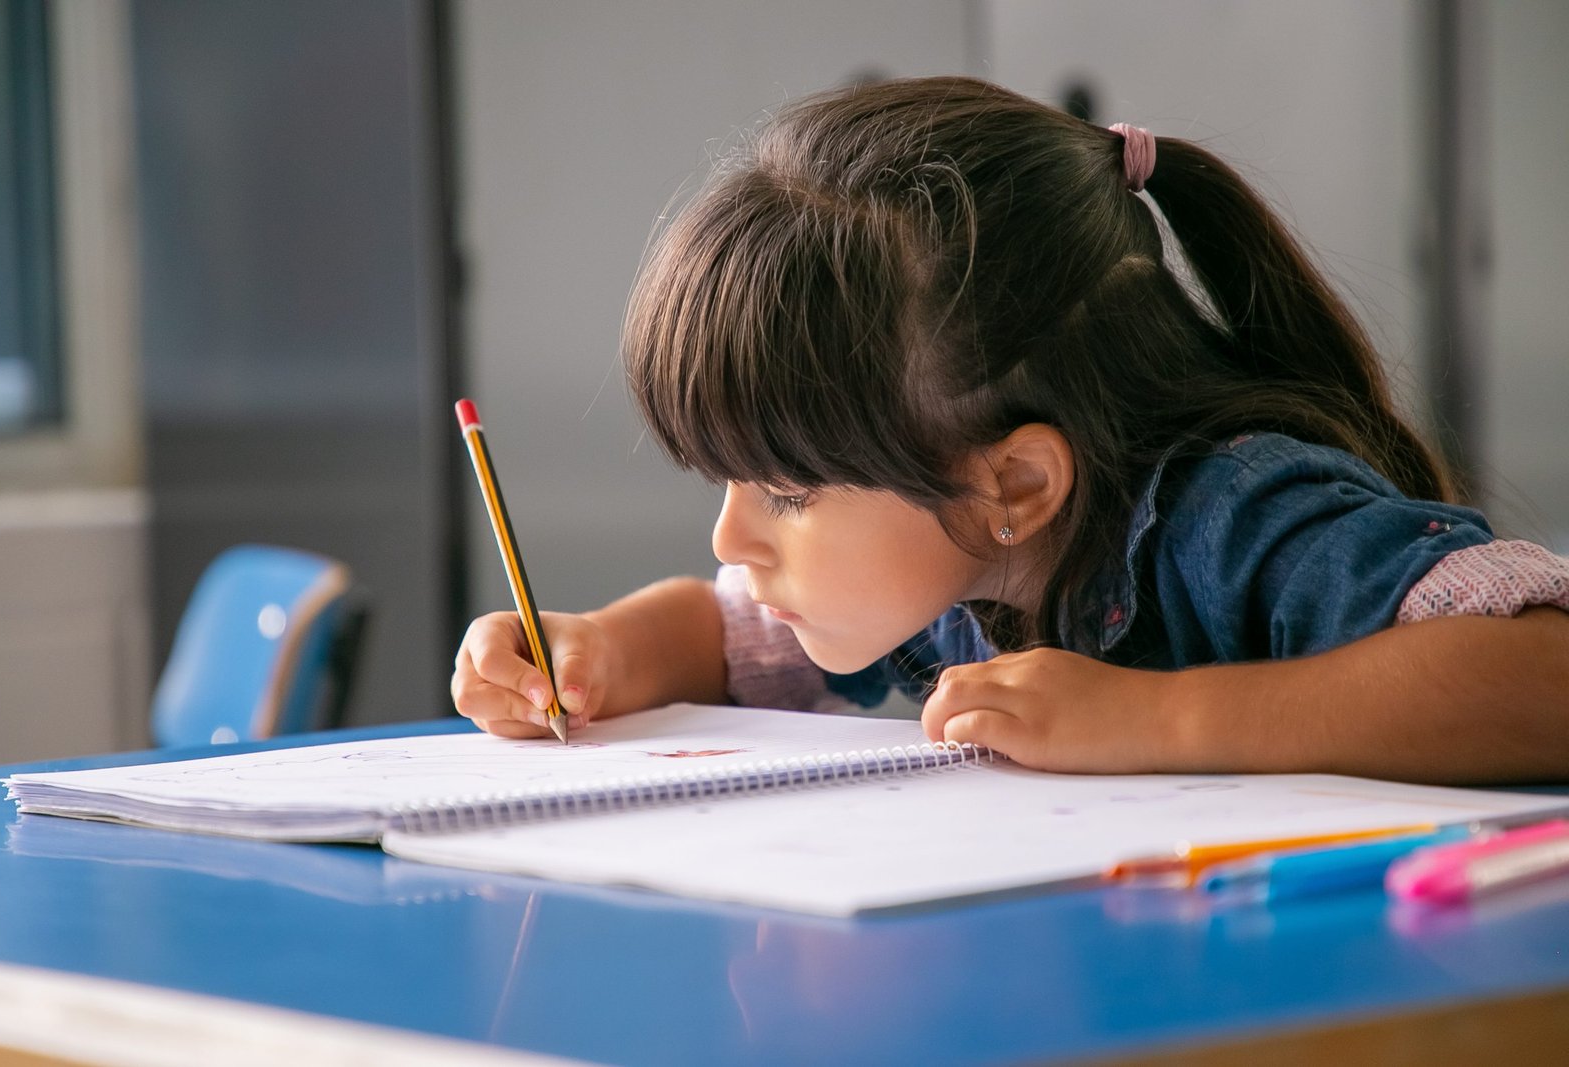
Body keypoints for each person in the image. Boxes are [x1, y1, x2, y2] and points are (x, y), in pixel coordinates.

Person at [453, 76, 1569, 783]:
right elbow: (730, 632)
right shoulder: (952, 566)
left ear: (1013, 485)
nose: (730, 540)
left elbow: (1543, 677)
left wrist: (1162, 719)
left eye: (788, 492)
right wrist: (597, 651)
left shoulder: (1236, 515)